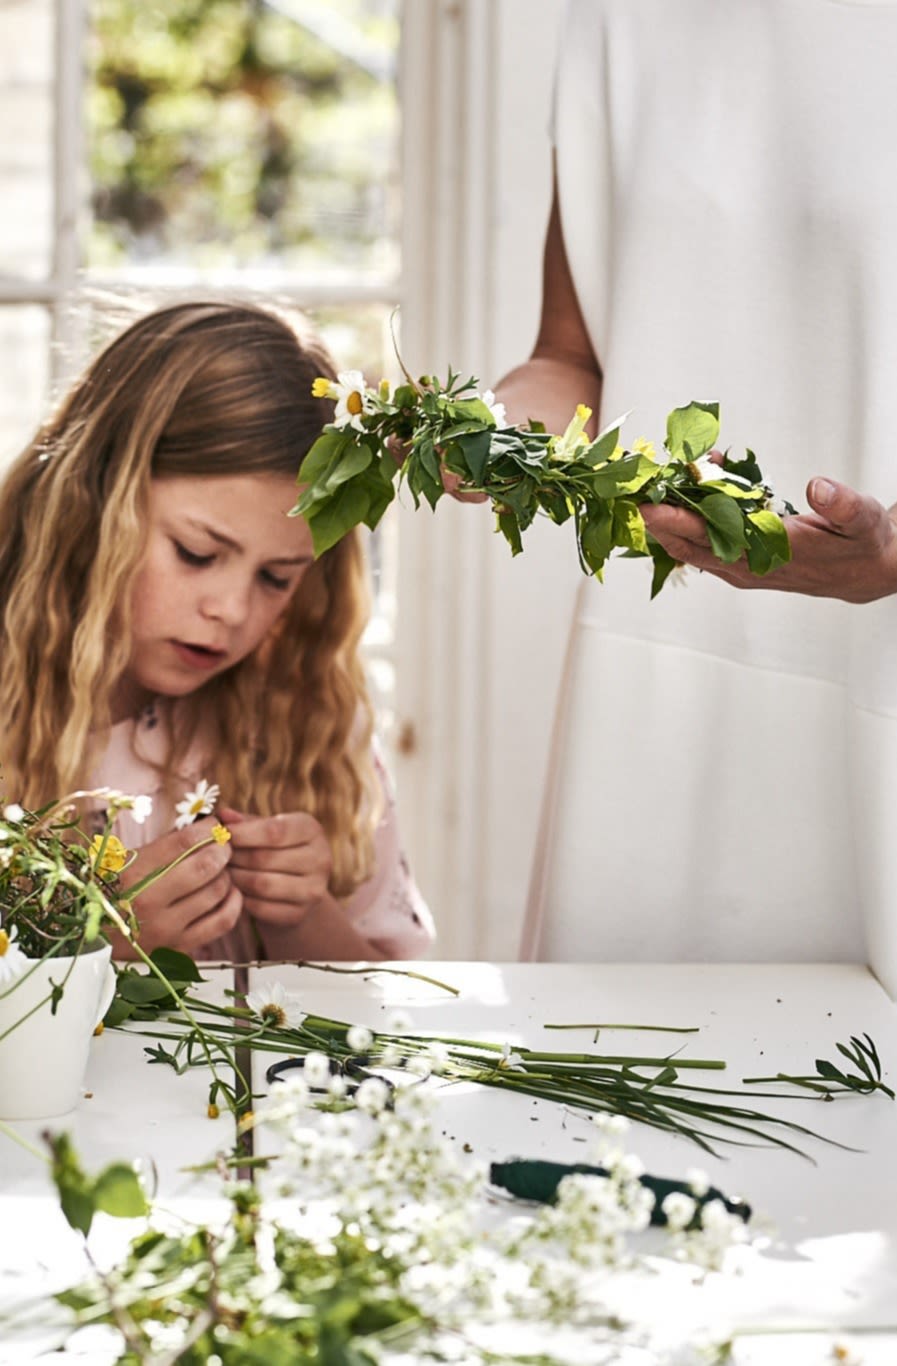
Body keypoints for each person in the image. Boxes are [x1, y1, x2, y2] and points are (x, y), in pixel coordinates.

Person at [495, 0, 897, 987]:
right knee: (619, 1097)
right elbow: (570, 359)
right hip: (656, 684)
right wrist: (487, 435)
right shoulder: (613, 21)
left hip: (878, 681)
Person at [0, 301, 434, 964]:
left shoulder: (308, 717)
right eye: (197, 553)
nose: (231, 610)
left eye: (276, 577)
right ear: (92, 502)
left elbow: (387, 1008)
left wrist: (302, 916)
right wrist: (90, 943)